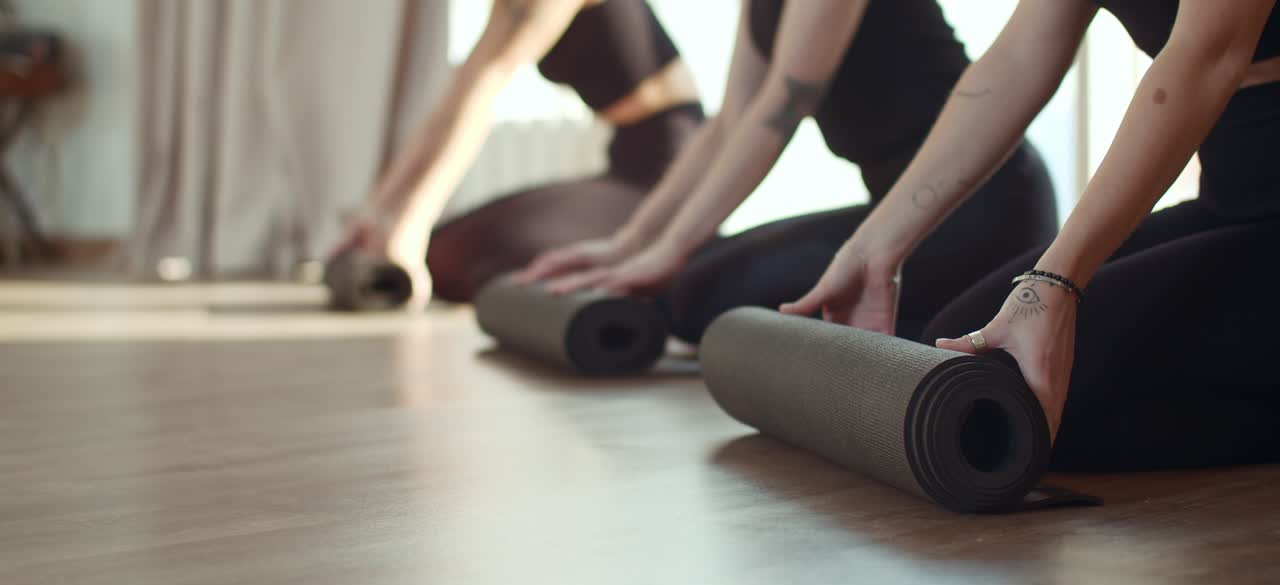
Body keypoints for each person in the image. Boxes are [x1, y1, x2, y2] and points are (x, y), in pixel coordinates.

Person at [784, 0, 1280, 471]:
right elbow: (1018, 57)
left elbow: (1206, 55)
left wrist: (1053, 282)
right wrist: (874, 247)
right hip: (1231, 202)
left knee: (994, 421)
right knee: (965, 378)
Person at [520, 0, 1059, 345]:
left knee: (692, 297)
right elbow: (731, 120)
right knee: (686, 282)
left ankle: (950, 325)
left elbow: (781, 108)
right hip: (890, 214)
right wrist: (632, 242)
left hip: (980, 210)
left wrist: (670, 249)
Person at [334, 0, 704, 306]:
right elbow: (453, 97)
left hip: (672, 175)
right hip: (627, 166)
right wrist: (376, 212)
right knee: (443, 251)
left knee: (448, 259)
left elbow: (483, 85)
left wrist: (409, 223)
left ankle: (685, 264)